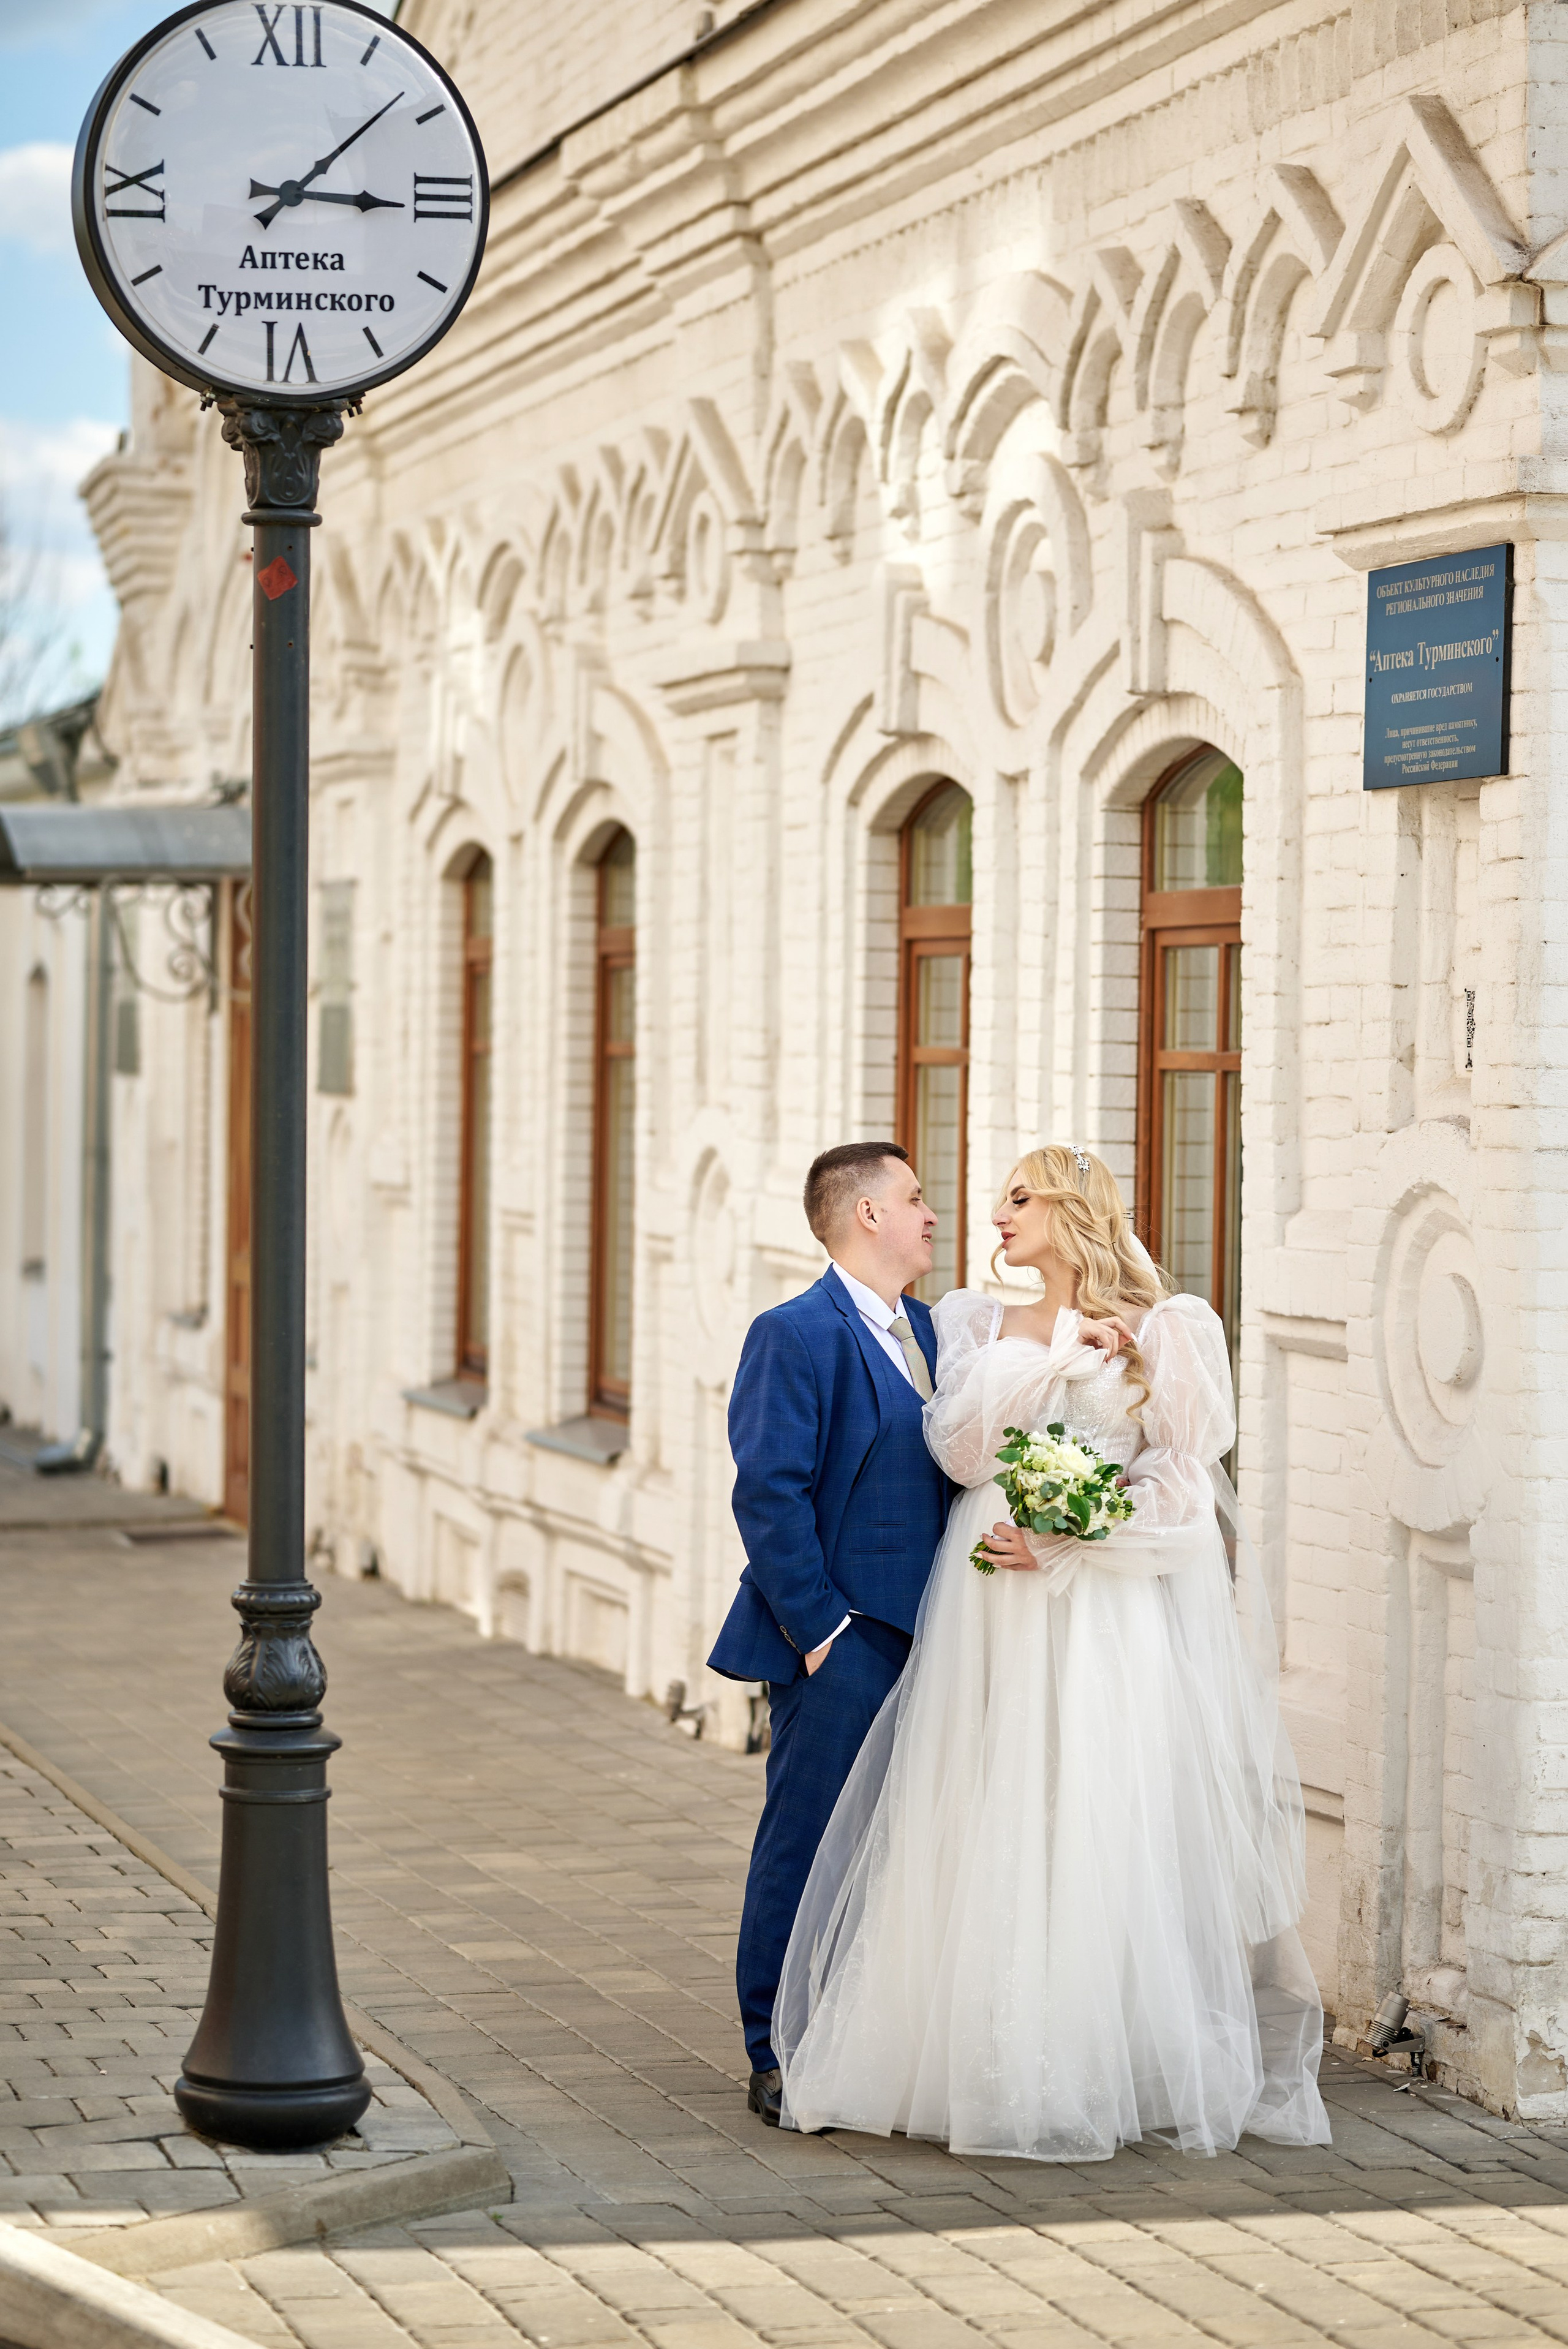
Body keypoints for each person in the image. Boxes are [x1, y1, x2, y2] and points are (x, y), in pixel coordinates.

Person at [773, 1144, 1331, 2160]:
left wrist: (1077, 1533)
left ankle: (1095, 2054)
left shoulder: (1174, 1326)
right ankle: (955, 2053)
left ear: (1074, 1208)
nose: (992, 1215)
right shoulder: (972, 1321)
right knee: (978, 1802)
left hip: (1098, 1609)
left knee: (1094, 1811)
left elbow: (1185, 1482)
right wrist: (1059, 1361)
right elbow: (956, 1449)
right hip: (986, 1599)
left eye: (1018, 1198)